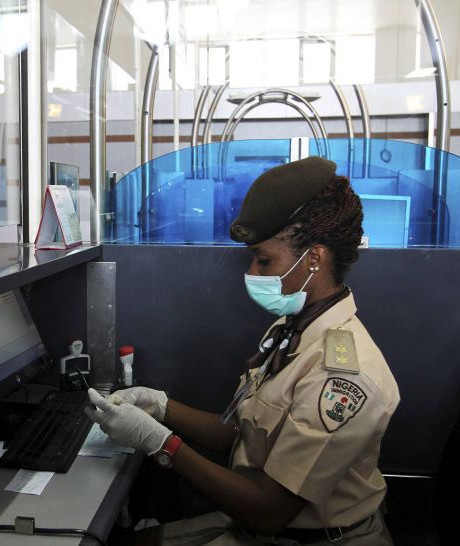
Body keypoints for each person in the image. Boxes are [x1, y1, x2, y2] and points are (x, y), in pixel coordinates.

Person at [87, 157, 400, 545]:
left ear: (314, 259)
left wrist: (159, 442)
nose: (252, 272)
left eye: (264, 260)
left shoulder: (342, 377)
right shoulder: (289, 332)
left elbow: (269, 511)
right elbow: (243, 432)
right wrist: (161, 406)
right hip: (254, 524)